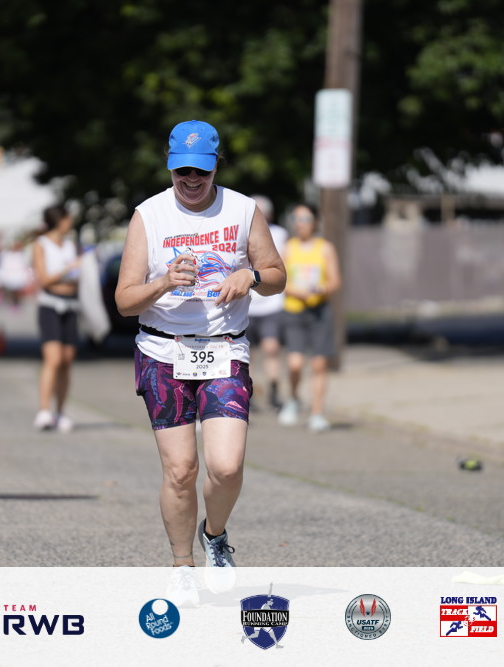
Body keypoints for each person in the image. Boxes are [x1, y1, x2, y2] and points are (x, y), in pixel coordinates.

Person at [114, 120, 285, 604]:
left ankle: (215, 535)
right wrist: (163, 282)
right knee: (181, 470)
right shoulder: (148, 216)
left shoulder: (242, 210)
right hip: (162, 352)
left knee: (226, 467)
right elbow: (125, 301)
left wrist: (251, 276)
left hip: (224, 349)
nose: (191, 180)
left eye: (201, 172)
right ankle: (182, 565)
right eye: (182, 171)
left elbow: (277, 275)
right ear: (170, 167)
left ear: (215, 168)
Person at [277, 204, 342, 433]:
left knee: (319, 364)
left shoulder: (325, 248)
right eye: (296, 218)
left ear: (315, 222)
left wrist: (321, 289)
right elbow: (280, 280)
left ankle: (317, 412)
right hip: (294, 310)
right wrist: (296, 292)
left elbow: (335, 280)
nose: (300, 223)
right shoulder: (288, 247)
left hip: (319, 310)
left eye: (305, 218)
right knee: (295, 363)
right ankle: (293, 398)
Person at [32, 204, 81, 433]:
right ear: (59, 220)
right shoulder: (41, 244)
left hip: (71, 304)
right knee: (53, 359)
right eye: (68, 218)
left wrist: (74, 273)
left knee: (67, 361)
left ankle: (61, 412)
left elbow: (79, 277)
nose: (70, 222)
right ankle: (44, 411)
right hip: (50, 305)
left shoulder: (71, 244)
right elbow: (44, 280)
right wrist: (67, 270)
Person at [247, 195, 288, 411]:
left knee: (271, 348)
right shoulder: (241, 231)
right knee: (248, 352)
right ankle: (250, 392)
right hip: (247, 303)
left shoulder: (280, 234)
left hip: (272, 303)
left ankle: (274, 390)